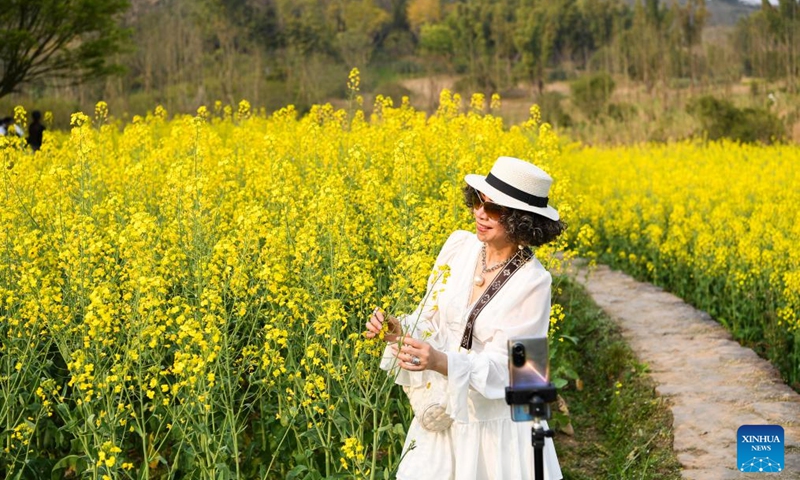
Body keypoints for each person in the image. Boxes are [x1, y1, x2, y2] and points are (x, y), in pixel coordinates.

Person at [365, 156, 566, 480]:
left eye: (494, 209)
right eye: (476, 201)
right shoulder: (459, 247)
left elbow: (518, 372)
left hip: (495, 433)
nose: (479, 213)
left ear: (522, 220)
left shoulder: (534, 282)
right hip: (443, 416)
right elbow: (431, 316)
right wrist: (400, 329)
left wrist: (441, 362)